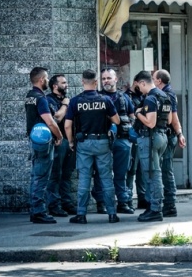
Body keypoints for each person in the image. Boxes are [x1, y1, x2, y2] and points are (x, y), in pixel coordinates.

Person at [64, 69, 121, 224]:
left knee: (84, 178)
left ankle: (81, 214)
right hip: (102, 142)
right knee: (106, 179)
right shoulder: (105, 100)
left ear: (82, 81)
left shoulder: (75, 101)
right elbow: (117, 121)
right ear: (96, 82)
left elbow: (68, 125)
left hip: (84, 143)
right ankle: (112, 214)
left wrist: (70, 142)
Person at [92, 68, 136, 215]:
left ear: (116, 79)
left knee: (121, 173)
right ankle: (101, 202)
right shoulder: (97, 98)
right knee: (100, 173)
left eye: (108, 78)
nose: (106, 81)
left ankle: (123, 202)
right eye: (103, 79)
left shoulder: (124, 98)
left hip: (122, 141)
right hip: (103, 141)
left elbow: (132, 116)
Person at [25, 67, 63, 224]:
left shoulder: (29, 96)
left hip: (34, 140)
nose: (48, 80)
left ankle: (35, 209)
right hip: (43, 142)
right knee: (41, 177)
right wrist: (59, 136)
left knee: (36, 175)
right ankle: (39, 212)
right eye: (47, 78)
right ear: (41, 80)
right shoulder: (41, 98)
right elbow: (50, 122)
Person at [133, 70, 172, 222]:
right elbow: (169, 120)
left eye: (139, 86)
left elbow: (150, 122)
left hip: (150, 138)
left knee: (152, 175)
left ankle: (155, 209)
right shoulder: (164, 96)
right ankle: (153, 207)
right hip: (162, 137)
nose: (139, 89)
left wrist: (138, 113)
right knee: (156, 173)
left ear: (143, 82)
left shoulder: (150, 98)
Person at [153, 69, 187, 218]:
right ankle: (168, 204)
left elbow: (173, 118)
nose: (152, 81)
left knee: (166, 170)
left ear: (159, 81)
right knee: (166, 170)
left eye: (154, 78)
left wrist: (179, 133)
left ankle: (170, 205)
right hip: (171, 135)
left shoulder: (167, 95)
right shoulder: (169, 93)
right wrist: (179, 133)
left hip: (167, 135)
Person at [45, 74, 77, 217]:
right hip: (58, 141)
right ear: (55, 86)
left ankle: (67, 203)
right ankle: (54, 205)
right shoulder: (48, 100)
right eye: (63, 83)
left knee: (67, 174)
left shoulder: (68, 100)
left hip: (70, 140)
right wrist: (65, 104)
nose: (67, 85)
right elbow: (56, 118)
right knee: (55, 175)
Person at [125, 77, 147, 210]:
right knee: (131, 169)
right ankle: (127, 198)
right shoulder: (126, 97)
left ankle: (142, 198)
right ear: (135, 83)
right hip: (132, 136)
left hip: (141, 135)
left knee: (142, 169)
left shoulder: (144, 96)